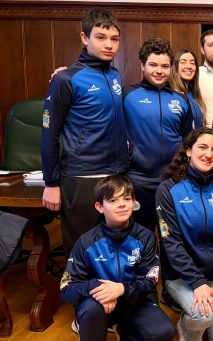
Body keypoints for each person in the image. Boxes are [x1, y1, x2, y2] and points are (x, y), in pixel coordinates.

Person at [41, 8, 128, 257]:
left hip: (116, 173)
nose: (109, 45)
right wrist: (51, 182)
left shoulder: (114, 75)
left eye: (114, 39)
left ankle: (112, 295)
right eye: (101, 37)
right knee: (82, 250)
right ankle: (81, 296)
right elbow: (49, 133)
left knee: (112, 248)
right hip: (81, 177)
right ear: (84, 37)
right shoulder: (66, 79)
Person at [60, 175, 175, 341]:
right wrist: (98, 289)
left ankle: (124, 329)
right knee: (91, 310)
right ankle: (86, 325)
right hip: (99, 304)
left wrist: (122, 289)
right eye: (113, 200)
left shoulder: (146, 237)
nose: (121, 204)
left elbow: (149, 280)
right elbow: (66, 287)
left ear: (133, 202)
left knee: (163, 331)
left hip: (135, 302)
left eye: (126, 198)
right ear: (100, 207)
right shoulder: (86, 241)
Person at [155, 127, 213, 341]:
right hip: (182, 277)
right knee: (204, 316)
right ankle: (187, 328)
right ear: (188, 151)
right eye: (202, 147)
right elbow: (170, 243)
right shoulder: (168, 190)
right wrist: (197, 283)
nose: (208, 154)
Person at [124, 37, 193, 232]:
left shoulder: (181, 100)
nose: (159, 71)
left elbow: (188, 141)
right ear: (142, 66)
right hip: (138, 180)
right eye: (153, 65)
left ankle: (165, 265)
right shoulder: (126, 95)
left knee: (170, 235)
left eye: (165, 66)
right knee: (140, 234)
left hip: (173, 180)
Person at [170, 48, 205, 127]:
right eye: (183, 62)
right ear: (175, 66)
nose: (189, 66)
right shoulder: (169, 94)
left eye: (192, 63)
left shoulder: (194, 94)